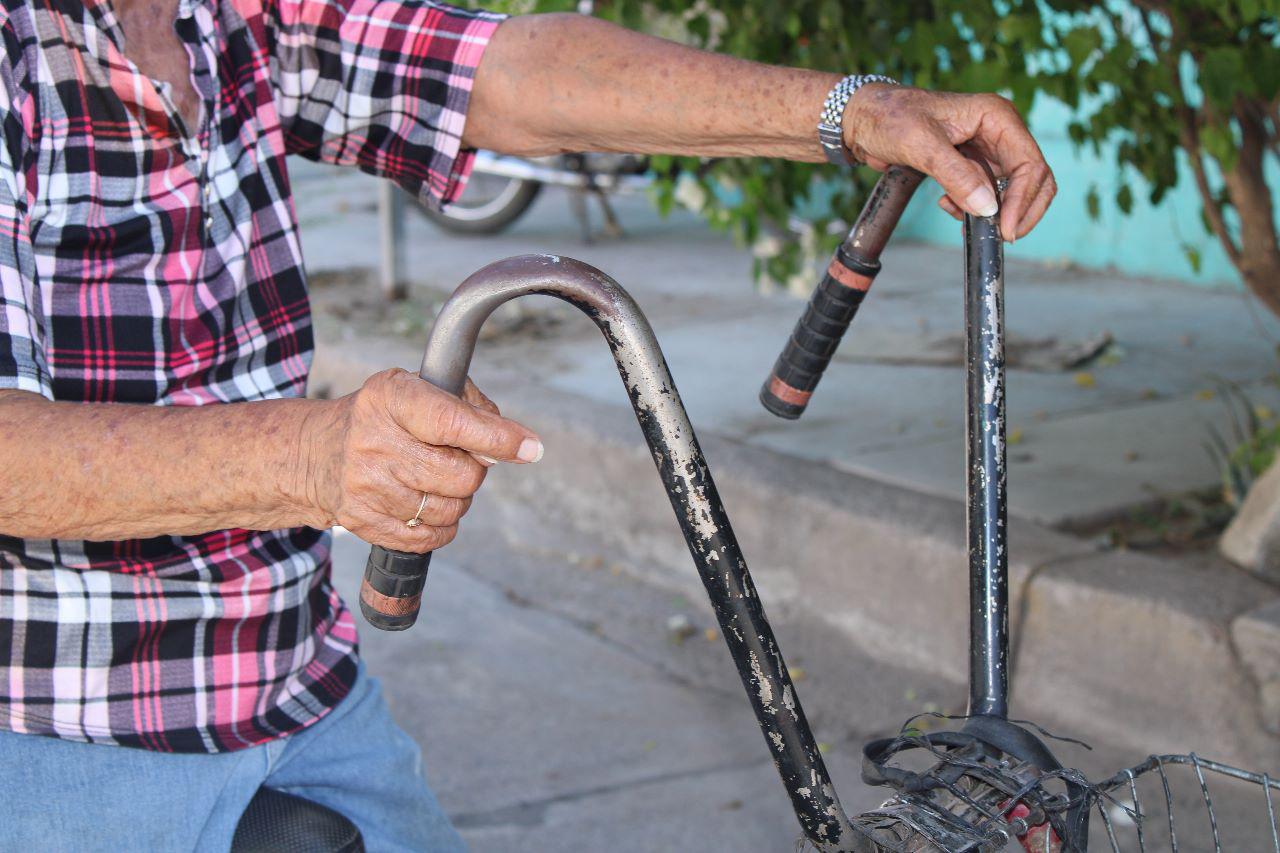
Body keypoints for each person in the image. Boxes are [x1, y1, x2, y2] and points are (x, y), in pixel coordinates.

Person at [0, 0, 1056, 848]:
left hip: (297, 694)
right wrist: (314, 456)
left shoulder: (226, 18)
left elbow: (502, 72)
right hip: (57, 736)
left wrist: (852, 111)